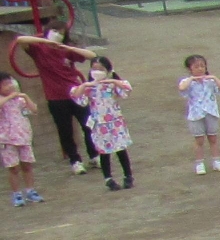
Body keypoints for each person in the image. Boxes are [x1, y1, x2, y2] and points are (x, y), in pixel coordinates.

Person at [5, 25, 98, 173]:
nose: (58, 35)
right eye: (55, 31)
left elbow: (92, 55)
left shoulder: (66, 50)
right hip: (55, 97)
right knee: (65, 130)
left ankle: (94, 155)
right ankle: (75, 160)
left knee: (89, 125)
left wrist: (68, 48)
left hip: (76, 93)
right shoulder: (39, 49)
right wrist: (46, 41)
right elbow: (21, 40)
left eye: (61, 33)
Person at [72, 55, 134, 191]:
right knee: (104, 151)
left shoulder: (112, 85)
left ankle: (128, 176)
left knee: (120, 149)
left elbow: (127, 89)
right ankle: (108, 178)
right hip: (100, 125)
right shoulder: (90, 88)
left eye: (100, 69)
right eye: (94, 69)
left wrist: (112, 80)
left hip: (115, 122)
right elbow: (77, 97)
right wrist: (85, 85)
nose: (97, 72)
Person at [179, 54, 220, 173]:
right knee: (199, 140)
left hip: (211, 113)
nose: (200, 69)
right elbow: (182, 88)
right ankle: (199, 163)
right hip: (196, 114)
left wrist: (214, 77)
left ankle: (217, 161)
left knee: (213, 138)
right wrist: (191, 78)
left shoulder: (210, 81)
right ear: (190, 68)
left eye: (202, 66)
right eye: (196, 66)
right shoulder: (188, 82)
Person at [1, 75, 42, 205]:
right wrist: (9, 97)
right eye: (5, 84)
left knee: (27, 165)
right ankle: (16, 194)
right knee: (13, 167)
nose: (9, 86)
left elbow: (34, 110)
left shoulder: (19, 100)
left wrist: (25, 96)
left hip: (24, 136)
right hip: (7, 139)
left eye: (10, 83)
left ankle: (30, 191)